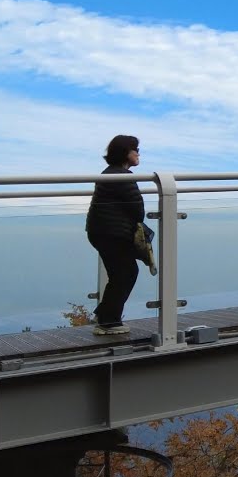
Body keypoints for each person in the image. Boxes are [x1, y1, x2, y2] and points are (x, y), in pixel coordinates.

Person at [86, 135, 146, 336]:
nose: (138, 153)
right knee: (125, 274)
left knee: (121, 274)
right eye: (135, 149)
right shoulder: (122, 176)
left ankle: (105, 316)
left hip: (102, 232)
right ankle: (108, 321)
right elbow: (138, 211)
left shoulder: (109, 173)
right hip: (112, 234)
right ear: (125, 152)